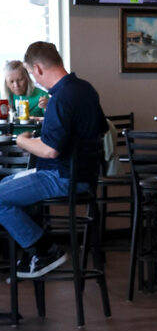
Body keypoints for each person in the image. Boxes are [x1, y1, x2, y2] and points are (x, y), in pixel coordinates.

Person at [0, 41, 106, 278]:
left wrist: (22, 141)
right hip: (83, 176)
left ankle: (46, 251)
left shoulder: (61, 97)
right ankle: (32, 253)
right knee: (6, 186)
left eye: (29, 73)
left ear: (37, 68)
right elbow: (100, 128)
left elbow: (50, 150)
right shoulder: (85, 89)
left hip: (61, 177)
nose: (33, 79)